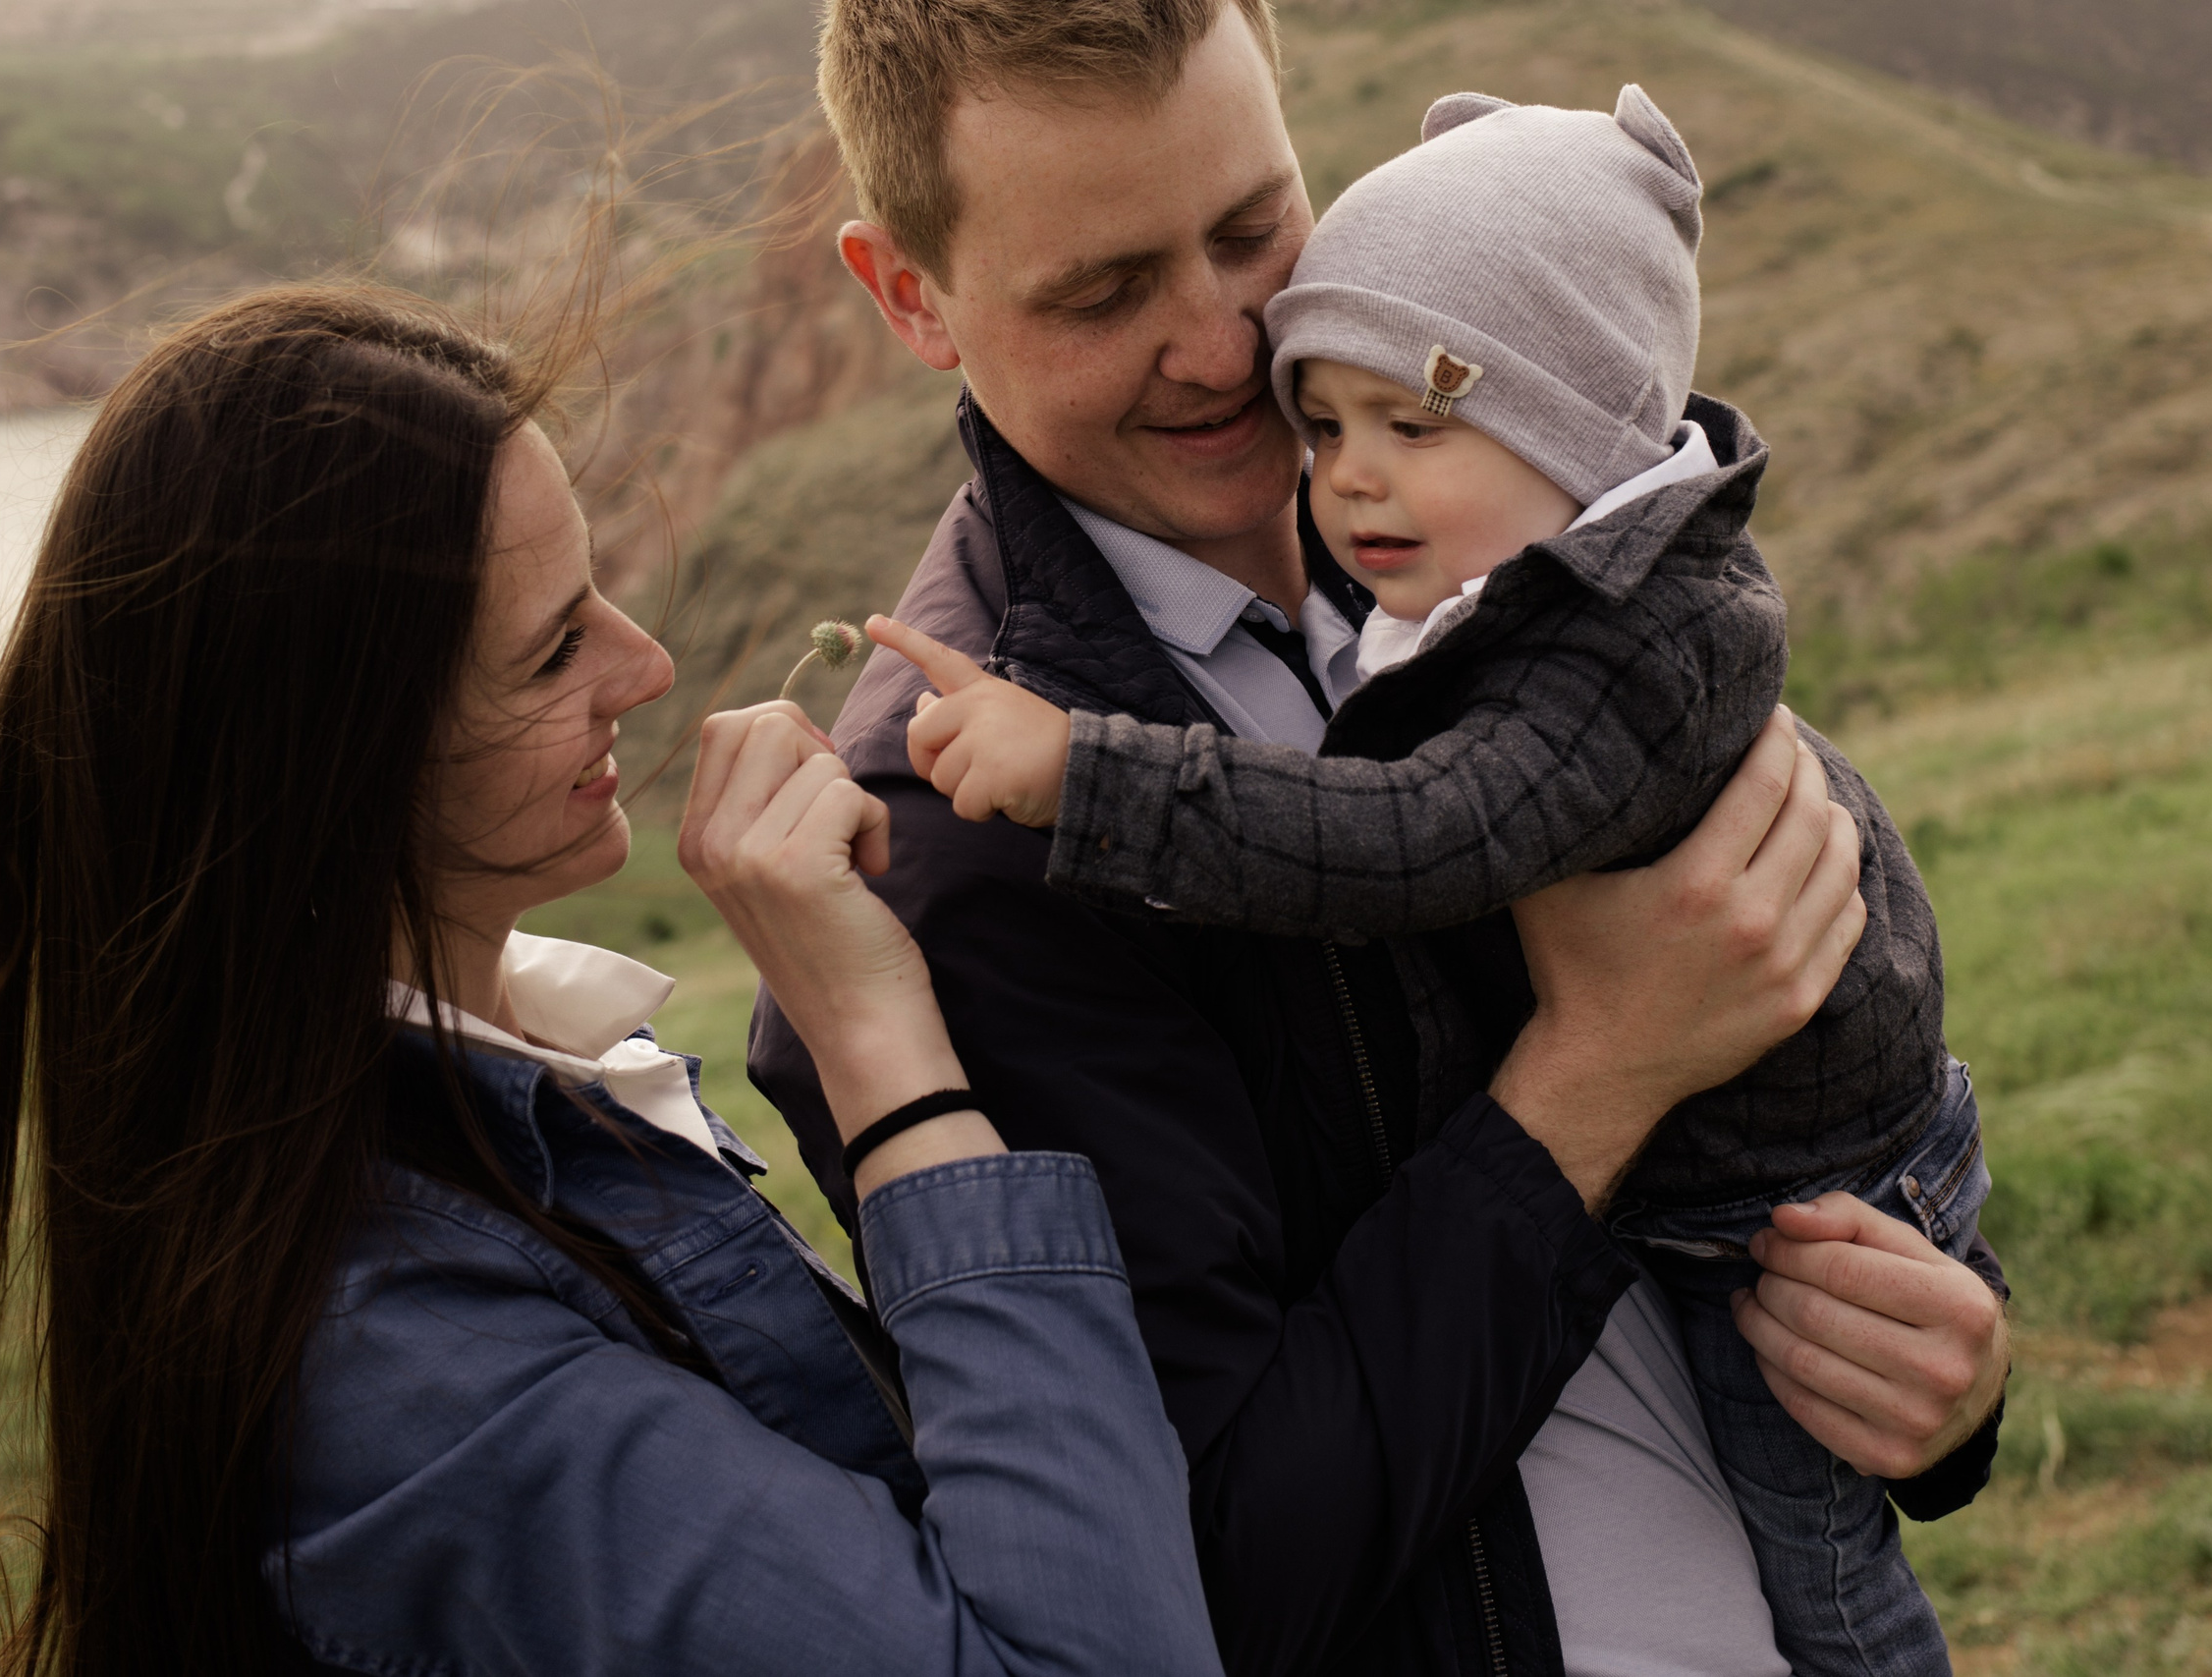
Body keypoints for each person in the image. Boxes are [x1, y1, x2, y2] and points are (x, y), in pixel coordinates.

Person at [752, 4, 2013, 1674]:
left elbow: (1804, 1027)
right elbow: (1214, 1579)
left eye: (1252, 230)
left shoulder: (1476, 534)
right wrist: (1598, 1075)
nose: (1221, 346)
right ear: (911, 293)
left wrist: (1938, 1345)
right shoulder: (960, 858)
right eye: (1106, 291)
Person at [0, 285, 1233, 1676]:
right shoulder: (412, 1379)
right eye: (554, 650)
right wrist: (882, 1055)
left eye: (597, 592)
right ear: (335, 768)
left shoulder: (514, 1097)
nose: (648, 664)